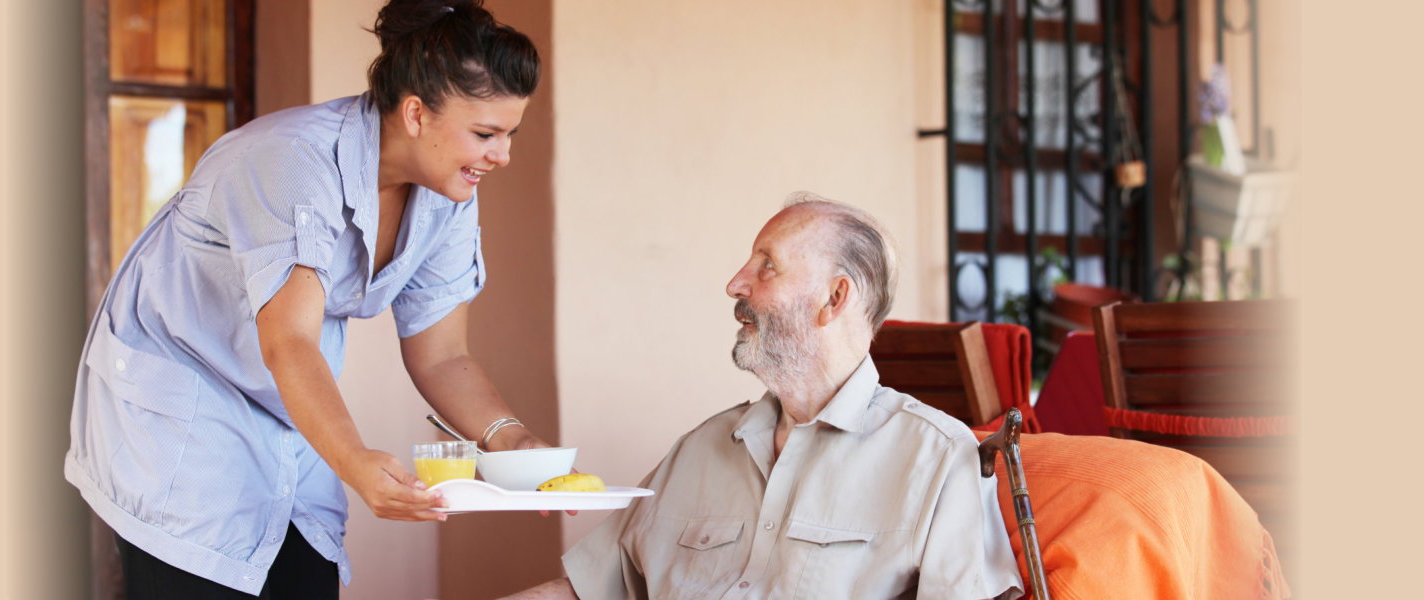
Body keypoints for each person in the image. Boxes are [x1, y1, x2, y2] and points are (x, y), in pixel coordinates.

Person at [64, 1, 550, 597]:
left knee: (304, 579)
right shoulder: (291, 162)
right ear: (417, 114)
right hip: (182, 411)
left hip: (284, 407)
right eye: (485, 134)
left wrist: (514, 444)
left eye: (510, 134)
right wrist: (354, 462)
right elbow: (288, 341)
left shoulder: (448, 193)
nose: (501, 156)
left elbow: (443, 355)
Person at [503, 193, 1025, 600]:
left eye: (766, 266)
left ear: (834, 298)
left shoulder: (935, 458)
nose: (735, 284)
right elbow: (589, 590)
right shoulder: (700, 449)